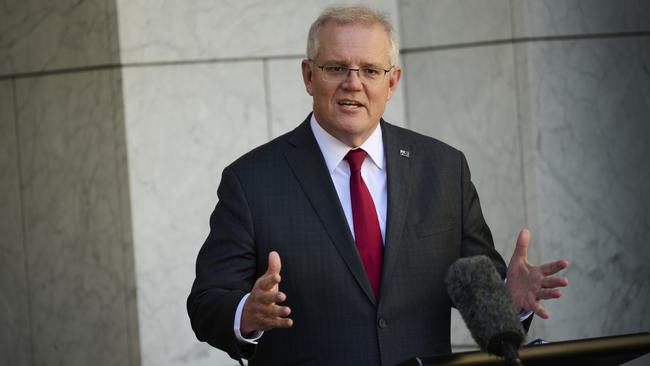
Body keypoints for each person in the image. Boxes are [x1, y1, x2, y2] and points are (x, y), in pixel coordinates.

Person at [187, 5, 569, 365]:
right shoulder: (251, 180)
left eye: (370, 70)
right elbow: (207, 303)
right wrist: (246, 314)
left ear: (392, 82)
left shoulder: (443, 169)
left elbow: (474, 286)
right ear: (308, 75)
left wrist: (510, 300)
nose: (353, 84)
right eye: (336, 68)